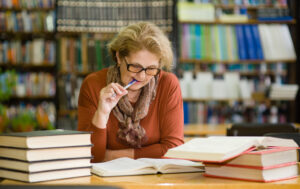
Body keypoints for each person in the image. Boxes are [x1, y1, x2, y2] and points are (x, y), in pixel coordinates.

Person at [77, 22, 184, 162]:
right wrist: (102, 113)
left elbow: (174, 149)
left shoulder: (168, 84)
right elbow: (90, 156)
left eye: (151, 68)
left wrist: (112, 156)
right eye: (135, 66)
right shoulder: (93, 85)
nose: (142, 76)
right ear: (119, 57)